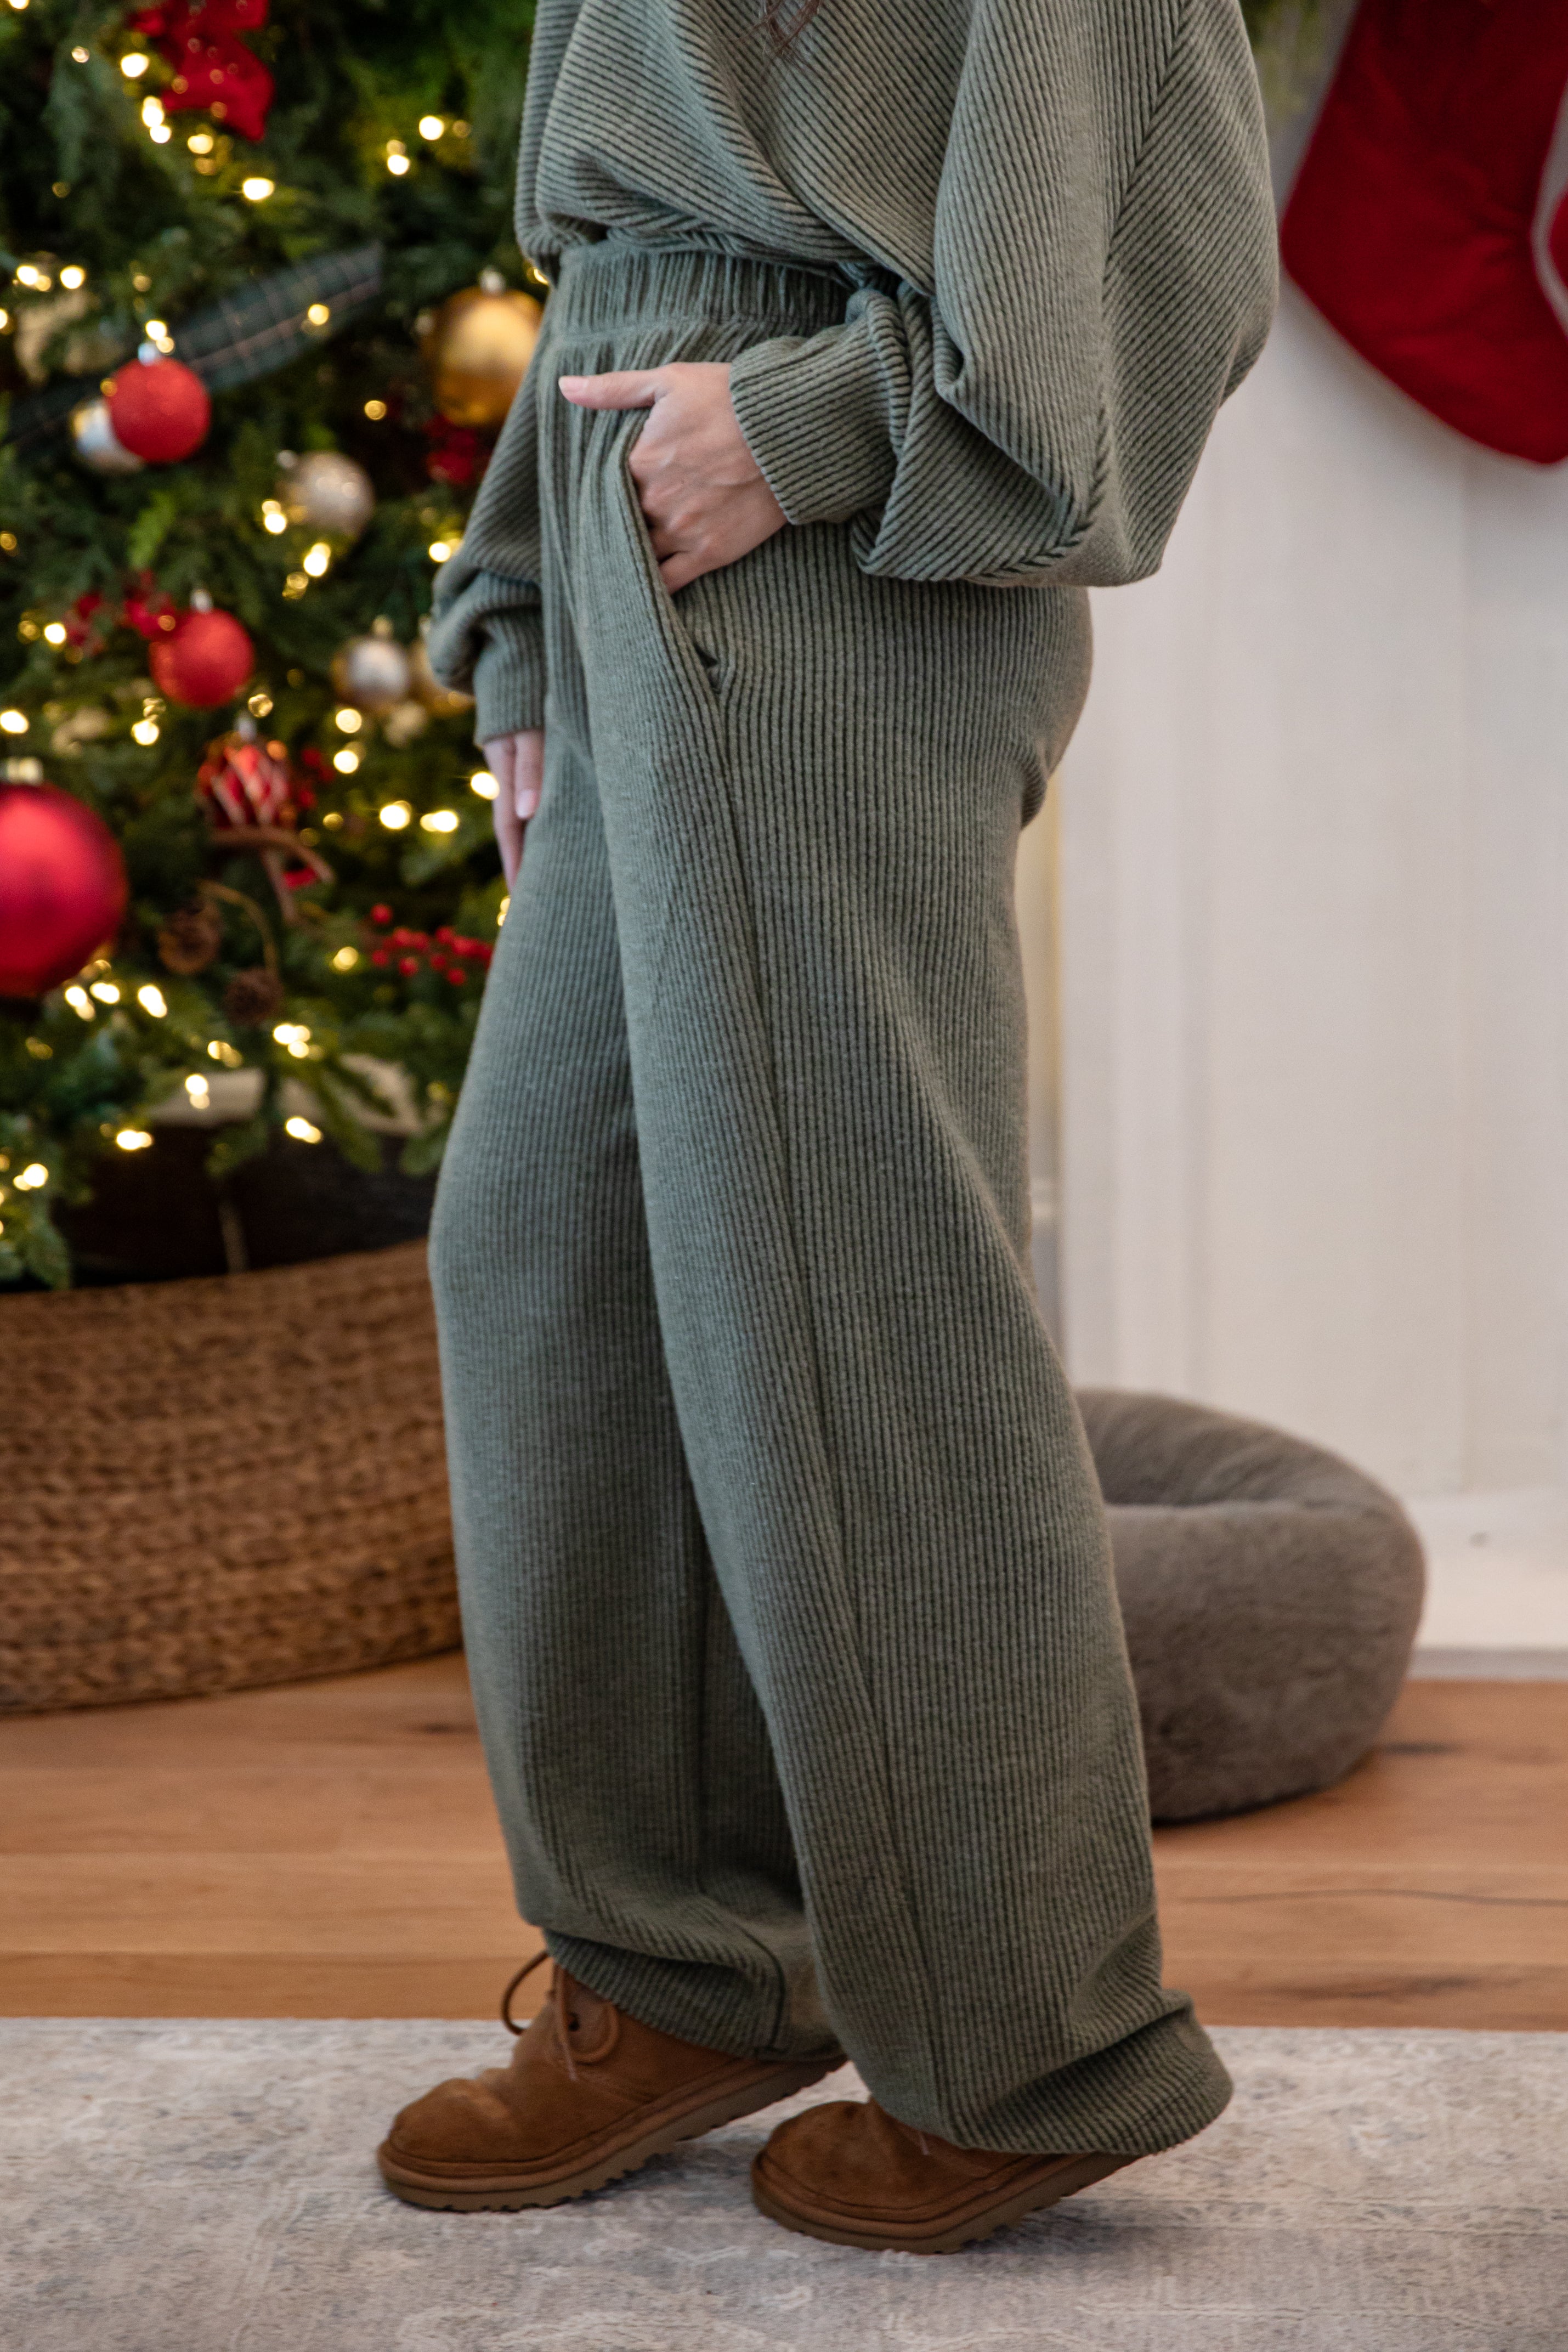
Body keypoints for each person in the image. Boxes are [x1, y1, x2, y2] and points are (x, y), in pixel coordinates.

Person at [378, 0, 1277, 2255]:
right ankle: (683, 1967)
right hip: (640, 522)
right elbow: (626, 226)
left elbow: (1148, 203)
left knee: (850, 1302)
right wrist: (525, 590)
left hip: (815, 559)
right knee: (546, 1250)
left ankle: (1024, 2045)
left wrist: (814, 427)